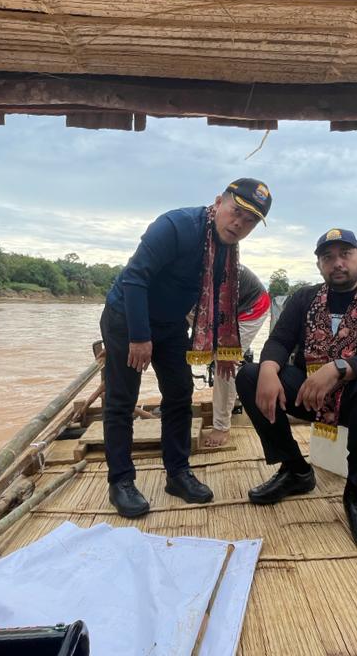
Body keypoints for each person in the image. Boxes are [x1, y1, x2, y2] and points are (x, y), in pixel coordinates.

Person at [101, 178, 272, 518]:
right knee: (122, 400)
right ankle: (120, 481)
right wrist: (139, 337)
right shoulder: (176, 226)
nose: (239, 223)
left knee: (179, 396)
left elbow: (220, 301)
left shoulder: (225, 249)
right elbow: (136, 278)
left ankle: (177, 473)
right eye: (236, 211)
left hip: (171, 324)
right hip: (127, 318)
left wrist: (225, 350)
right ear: (218, 202)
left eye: (250, 220)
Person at [236, 228, 357, 554]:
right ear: (319, 265)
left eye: (345, 254)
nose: (337, 263)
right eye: (328, 257)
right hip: (310, 394)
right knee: (250, 375)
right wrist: (270, 368)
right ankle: (295, 470)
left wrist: (337, 368)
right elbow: (278, 341)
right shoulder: (305, 298)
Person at [204, 264, 271, 448]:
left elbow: (222, 312)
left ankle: (222, 425)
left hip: (250, 306)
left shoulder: (216, 267)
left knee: (225, 360)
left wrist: (227, 350)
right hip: (214, 308)